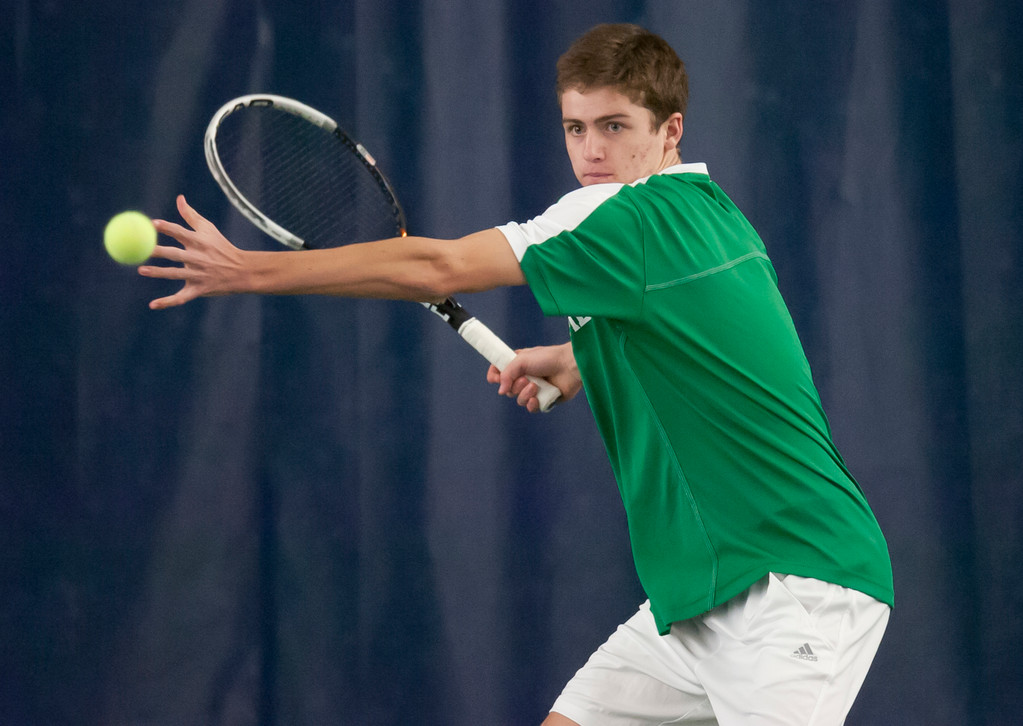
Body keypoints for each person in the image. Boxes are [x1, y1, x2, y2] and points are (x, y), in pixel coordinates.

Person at [143, 23, 894, 726]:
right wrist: (579, 360)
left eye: (614, 127)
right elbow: (713, 344)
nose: (591, 150)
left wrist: (247, 271)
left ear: (670, 131)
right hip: (697, 592)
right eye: (576, 128)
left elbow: (437, 266)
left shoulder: (622, 215)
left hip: (793, 584)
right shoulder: (711, 213)